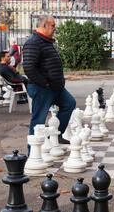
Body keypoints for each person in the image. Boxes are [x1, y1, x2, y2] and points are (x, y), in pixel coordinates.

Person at [23, 15, 76, 148]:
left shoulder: (46, 41)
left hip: (55, 87)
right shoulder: (33, 42)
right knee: (38, 121)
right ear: (43, 26)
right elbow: (29, 67)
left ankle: (55, 135)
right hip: (42, 88)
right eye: (52, 26)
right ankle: (33, 153)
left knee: (69, 103)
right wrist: (45, 83)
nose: (55, 28)